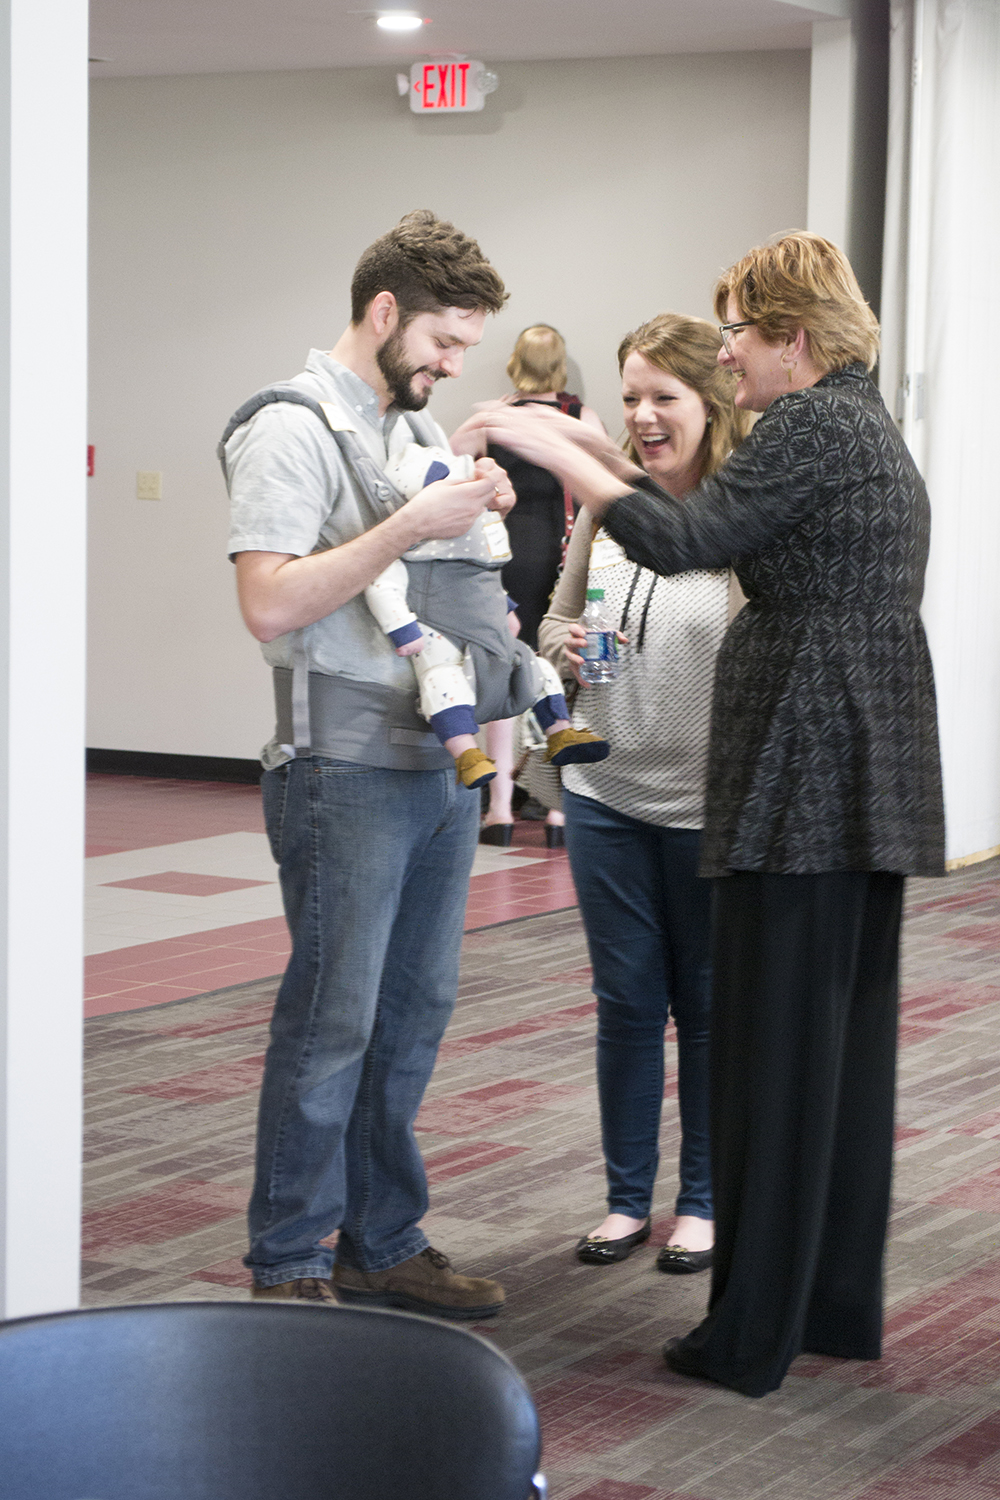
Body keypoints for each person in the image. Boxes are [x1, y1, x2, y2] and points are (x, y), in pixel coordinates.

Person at [455, 232, 945, 1394]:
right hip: (850, 763)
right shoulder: (858, 424)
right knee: (830, 1053)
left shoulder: (814, 424)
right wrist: (590, 446)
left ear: (795, 339)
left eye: (737, 332)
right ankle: (820, 1305)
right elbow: (689, 513)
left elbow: (682, 540)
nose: (727, 355)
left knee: (772, 1057)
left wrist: (548, 447)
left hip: (806, 767)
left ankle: (750, 1334)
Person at [221, 210, 518, 1317]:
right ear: (384, 311)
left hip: (431, 763)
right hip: (337, 768)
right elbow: (270, 601)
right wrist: (408, 525)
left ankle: (380, 1239)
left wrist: (469, 512)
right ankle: (290, 1262)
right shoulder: (287, 428)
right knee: (332, 1014)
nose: (449, 367)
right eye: (442, 341)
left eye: (465, 351)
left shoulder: (405, 429)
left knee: (412, 1010)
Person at [536, 314, 749, 1273]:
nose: (645, 416)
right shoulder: (604, 503)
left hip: (708, 807)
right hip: (605, 796)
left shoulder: (745, 516)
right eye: (630, 397)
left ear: (710, 401)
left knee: (705, 1010)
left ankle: (700, 1203)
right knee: (625, 1002)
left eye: (665, 396)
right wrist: (560, 646)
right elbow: (554, 620)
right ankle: (627, 1202)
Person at [362, 440, 609, 787]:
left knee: (536, 667)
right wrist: (402, 629)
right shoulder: (408, 549)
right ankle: (467, 754)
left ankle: (560, 731)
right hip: (440, 638)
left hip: (491, 637)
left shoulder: (475, 545)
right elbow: (381, 586)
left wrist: (506, 610)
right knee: (442, 681)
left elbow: (485, 584)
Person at [480, 325, 604, 846]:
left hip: (505, 555)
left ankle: (501, 809)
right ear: (559, 365)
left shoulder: (492, 416)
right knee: (562, 669)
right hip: (560, 553)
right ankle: (557, 812)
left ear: (516, 362)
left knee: (506, 667)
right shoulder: (582, 418)